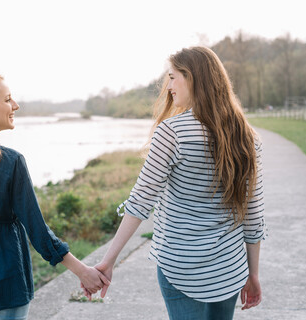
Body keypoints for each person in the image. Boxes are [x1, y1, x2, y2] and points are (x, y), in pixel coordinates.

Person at [94, 47, 266, 320]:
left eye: (173, 77)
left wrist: (108, 260)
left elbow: (140, 202)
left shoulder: (172, 132)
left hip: (181, 269)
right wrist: (252, 273)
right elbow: (253, 215)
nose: (169, 86)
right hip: (229, 269)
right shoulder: (246, 136)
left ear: (193, 77)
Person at [0, 72, 109, 320]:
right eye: (8, 99)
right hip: (8, 279)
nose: (16, 105)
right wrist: (83, 271)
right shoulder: (11, 162)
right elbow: (38, 231)